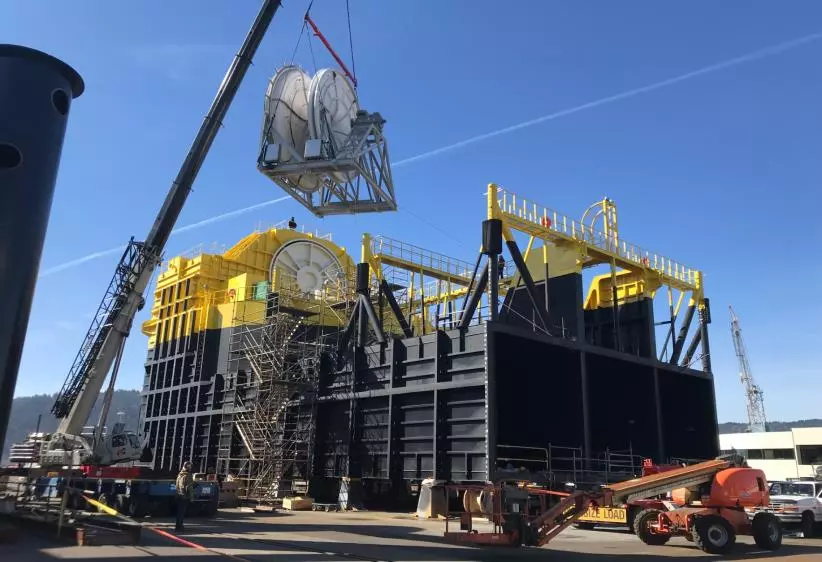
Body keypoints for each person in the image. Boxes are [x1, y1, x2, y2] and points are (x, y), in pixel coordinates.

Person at [175, 460, 195, 531]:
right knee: (182, 512)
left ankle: (178, 526)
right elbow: (189, 487)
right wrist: (192, 498)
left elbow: (177, 485)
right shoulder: (188, 475)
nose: (190, 468)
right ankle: (180, 527)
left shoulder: (180, 474)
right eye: (190, 466)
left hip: (179, 495)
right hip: (185, 496)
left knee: (179, 512)